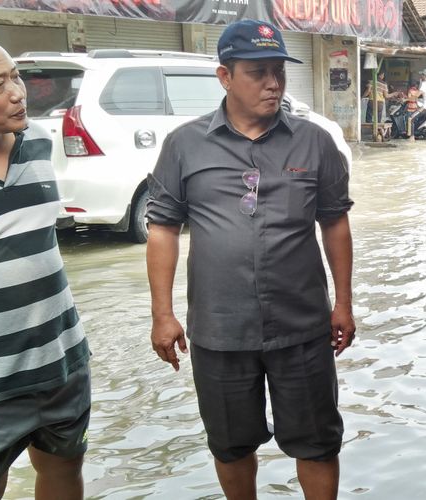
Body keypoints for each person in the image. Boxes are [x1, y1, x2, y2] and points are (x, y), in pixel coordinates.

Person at [146, 19, 355, 500]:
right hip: (220, 331)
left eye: (279, 71)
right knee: (231, 444)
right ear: (225, 76)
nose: (274, 83)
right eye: (258, 72)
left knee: (318, 442)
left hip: (302, 326)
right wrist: (163, 315)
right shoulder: (184, 145)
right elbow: (162, 229)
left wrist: (342, 303)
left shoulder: (314, 141)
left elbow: (335, 223)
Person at [0, 28, 91, 499]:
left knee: (63, 472)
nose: (18, 93)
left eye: (16, 76)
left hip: (62, 363)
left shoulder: (35, 140)